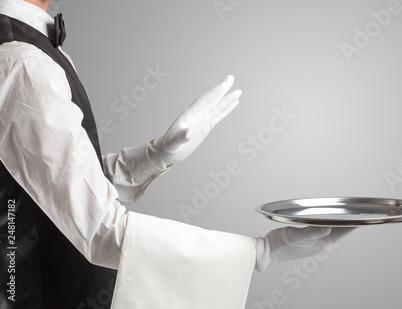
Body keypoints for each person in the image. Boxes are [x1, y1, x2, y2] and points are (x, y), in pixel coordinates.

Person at [0, 0, 355, 308]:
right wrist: (261, 253)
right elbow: (102, 230)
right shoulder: (26, 63)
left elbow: (55, 189)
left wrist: (153, 156)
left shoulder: (32, 49)